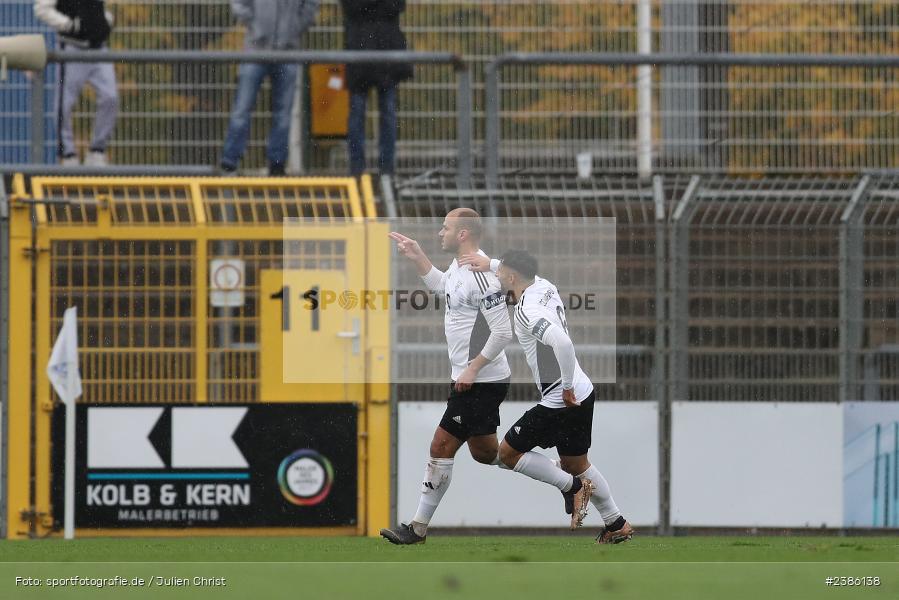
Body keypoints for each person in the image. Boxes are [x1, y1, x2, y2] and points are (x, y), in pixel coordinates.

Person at [462, 249, 634, 544]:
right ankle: (616, 523)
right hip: (584, 390)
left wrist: (565, 387)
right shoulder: (544, 286)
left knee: (507, 454)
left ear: (513, 276)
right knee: (577, 463)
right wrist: (490, 263)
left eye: (500, 271)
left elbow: (563, 344)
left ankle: (573, 488)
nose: (497, 275)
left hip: (561, 397)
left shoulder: (528, 312)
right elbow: (520, 272)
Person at [380, 209, 515, 544]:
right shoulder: (460, 265)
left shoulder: (482, 272)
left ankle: (417, 528)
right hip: (470, 377)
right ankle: (569, 480)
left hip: (481, 380)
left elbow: (502, 332)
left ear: (464, 233)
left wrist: (472, 368)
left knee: (441, 445)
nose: (440, 232)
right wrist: (419, 257)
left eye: (446, 228)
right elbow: (446, 288)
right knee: (488, 454)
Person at [220, 0, 320, 176]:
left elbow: (311, 5)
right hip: (256, 49)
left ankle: (277, 164)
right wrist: (254, 24)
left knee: (282, 113)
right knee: (242, 109)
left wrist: (296, 27)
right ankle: (230, 162)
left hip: (287, 51)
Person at [35, 0, 118, 167]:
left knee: (111, 97)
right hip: (72, 48)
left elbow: (101, 10)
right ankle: (68, 154)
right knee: (64, 104)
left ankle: (97, 151)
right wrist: (68, 25)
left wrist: (105, 22)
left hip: (98, 48)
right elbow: (41, 9)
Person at [339, 0, 413, 176]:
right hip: (363, 50)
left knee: (386, 113)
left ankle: (386, 169)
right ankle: (358, 170)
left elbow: (397, 6)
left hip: (377, 49)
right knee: (359, 113)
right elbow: (350, 7)